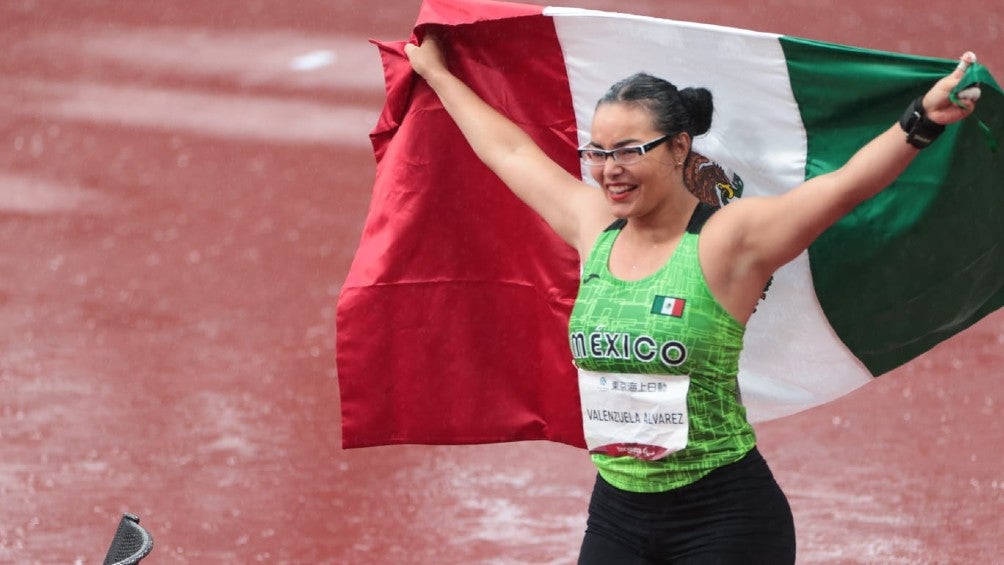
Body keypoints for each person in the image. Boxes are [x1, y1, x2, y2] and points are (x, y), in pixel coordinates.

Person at [405, 31, 979, 564]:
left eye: (629, 150)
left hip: (724, 518)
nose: (610, 170)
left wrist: (922, 120)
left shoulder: (729, 240)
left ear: (680, 148)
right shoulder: (593, 227)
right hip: (618, 514)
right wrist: (438, 74)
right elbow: (509, 153)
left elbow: (844, 185)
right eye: (598, 152)